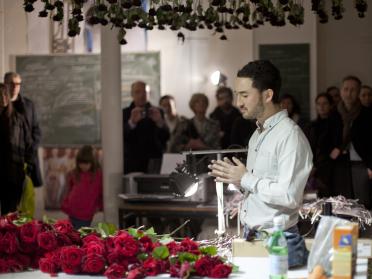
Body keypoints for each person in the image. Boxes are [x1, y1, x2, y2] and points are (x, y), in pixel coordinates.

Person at [208, 60, 313, 268]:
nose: (238, 102)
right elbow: (261, 184)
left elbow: (290, 196)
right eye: (237, 94)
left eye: (244, 95)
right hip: (253, 237)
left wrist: (245, 178)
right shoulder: (257, 134)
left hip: (280, 241)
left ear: (267, 95)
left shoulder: (290, 136)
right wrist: (236, 179)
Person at [331, 76, 372, 208]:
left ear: (358, 92)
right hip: (339, 163)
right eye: (346, 89)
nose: (349, 93)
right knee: (342, 204)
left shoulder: (367, 114)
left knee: (363, 202)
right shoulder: (334, 114)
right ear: (341, 91)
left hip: (362, 163)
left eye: (353, 90)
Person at [4, 72, 43, 187]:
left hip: (27, 159)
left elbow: (36, 130)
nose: (15, 87)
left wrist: (32, 149)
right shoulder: (2, 105)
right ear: (5, 84)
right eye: (12, 83)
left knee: (27, 198)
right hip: (7, 162)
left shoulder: (29, 105)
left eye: (18, 84)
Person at [123, 81, 170, 174]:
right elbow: (120, 137)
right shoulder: (125, 113)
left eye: (144, 92)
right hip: (132, 162)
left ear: (149, 94)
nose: (141, 95)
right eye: (137, 92)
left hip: (154, 162)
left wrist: (159, 122)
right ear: (132, 94)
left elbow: (166, 137)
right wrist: (131, 123)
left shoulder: (157, 111)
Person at [0, 83, 33, 215]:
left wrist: (27, 167)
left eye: (5, 94)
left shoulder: (18, 118)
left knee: (10, 213)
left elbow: (28, 144)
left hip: (13, 174)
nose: (2, 98)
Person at [304, 93, 343, 197]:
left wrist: (317, 166)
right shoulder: (312, 125)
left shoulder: (337, 123)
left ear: (330, 105)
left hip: (331, 168)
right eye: (318, 103)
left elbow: (334, 147)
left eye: (325, 103)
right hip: (313, 165)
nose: (321, 106)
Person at [61, 145, 103, 229]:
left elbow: (100, 192)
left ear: (92, 162)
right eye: (80, 163)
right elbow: (68, 190)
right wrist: (65, 203)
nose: (83, 166)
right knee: (71, 233)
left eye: (86, 163)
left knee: (81, 234)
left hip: (86, 213)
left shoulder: (98, 175)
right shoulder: (74, 173)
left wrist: (100, 206)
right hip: (72, 210)